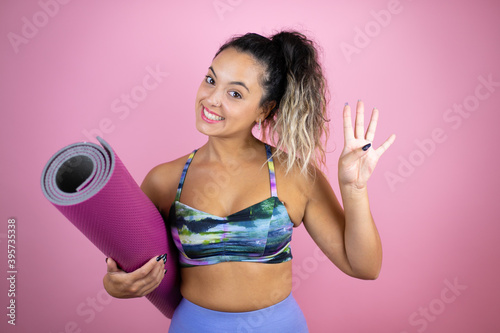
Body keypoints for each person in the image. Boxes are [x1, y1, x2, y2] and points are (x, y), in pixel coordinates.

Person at [102, 30, 396, 332]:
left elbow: (365, 267)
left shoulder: (294, 174)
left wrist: (353, 189)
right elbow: (127, 266)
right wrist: (115, 285)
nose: (212, 99)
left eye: (235, 93)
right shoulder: (163, 180)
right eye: (211, 79)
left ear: (264, 110)